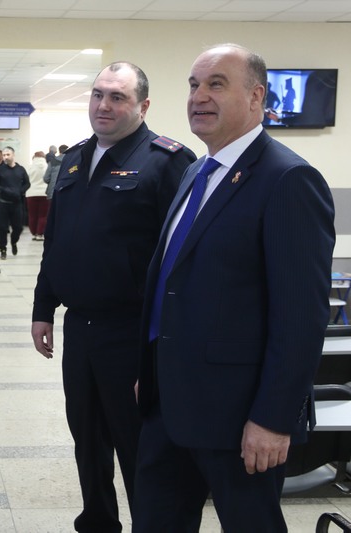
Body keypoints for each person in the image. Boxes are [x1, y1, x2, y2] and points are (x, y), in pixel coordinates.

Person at [134, 43, 335, 532]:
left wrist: (273, 419)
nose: (199, 96)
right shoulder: (195, 173)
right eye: (193, 85)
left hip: (241, 418)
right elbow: (173, 283)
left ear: (256, 97)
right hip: (169, 405)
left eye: (216, 84)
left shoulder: (288, 179)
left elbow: (301, 318)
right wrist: (150, 371)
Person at [31, 61, 196, 533]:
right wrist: (44, 308)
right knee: (86, 437)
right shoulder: (75, 159)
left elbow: (181, 260)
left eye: (117, 97)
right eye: (98, 94)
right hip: (80, 327)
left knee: (137, 443)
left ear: (143, 105)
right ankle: (98, 520)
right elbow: (57, 241)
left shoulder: (166, 161)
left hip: (131, 331)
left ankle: (151, 524)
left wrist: (162, 348)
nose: (104, 105)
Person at [0, 146, 30, 259]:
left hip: (17, 203)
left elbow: (27, 183)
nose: (5, 157)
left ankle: (14, 242)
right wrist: (1, 191)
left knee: (18, 227)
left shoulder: (21, 169)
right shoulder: (0, 169)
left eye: (8, 155)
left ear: (13, 155)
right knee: (2, 228)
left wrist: (20, 191)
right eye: (4, 155)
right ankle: (3, 249)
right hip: (3, 203)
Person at [26, 150, 49, 240]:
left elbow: (26, 179)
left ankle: (34, 233)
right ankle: (40, 234)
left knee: (32, 215)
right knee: (43, 215)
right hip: (44, 193)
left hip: (31, 193)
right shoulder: (47, 166)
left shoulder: (30, 167)